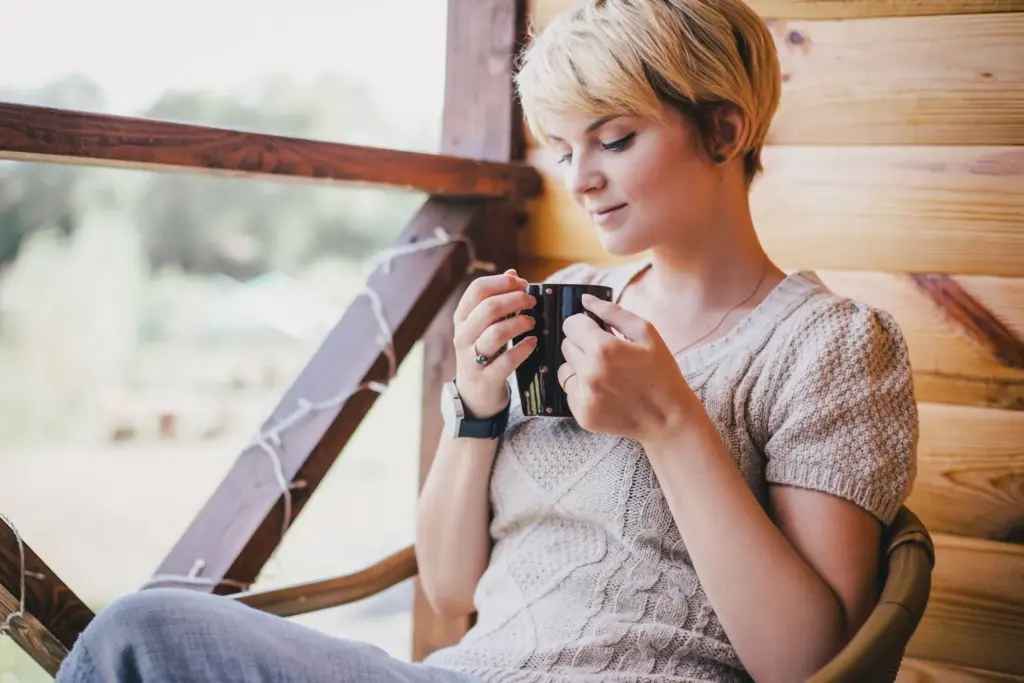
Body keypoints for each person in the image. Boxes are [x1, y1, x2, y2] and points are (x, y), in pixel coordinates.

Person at [54, 1, 918, 682]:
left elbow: (809, 665)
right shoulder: (564, 307)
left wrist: (672, 425)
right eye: (563, 148)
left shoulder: (833, 346)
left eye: (615, 139)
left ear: (725, 133)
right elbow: (450, 589)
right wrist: (474, 410)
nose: (580, 179)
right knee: (139, 631)